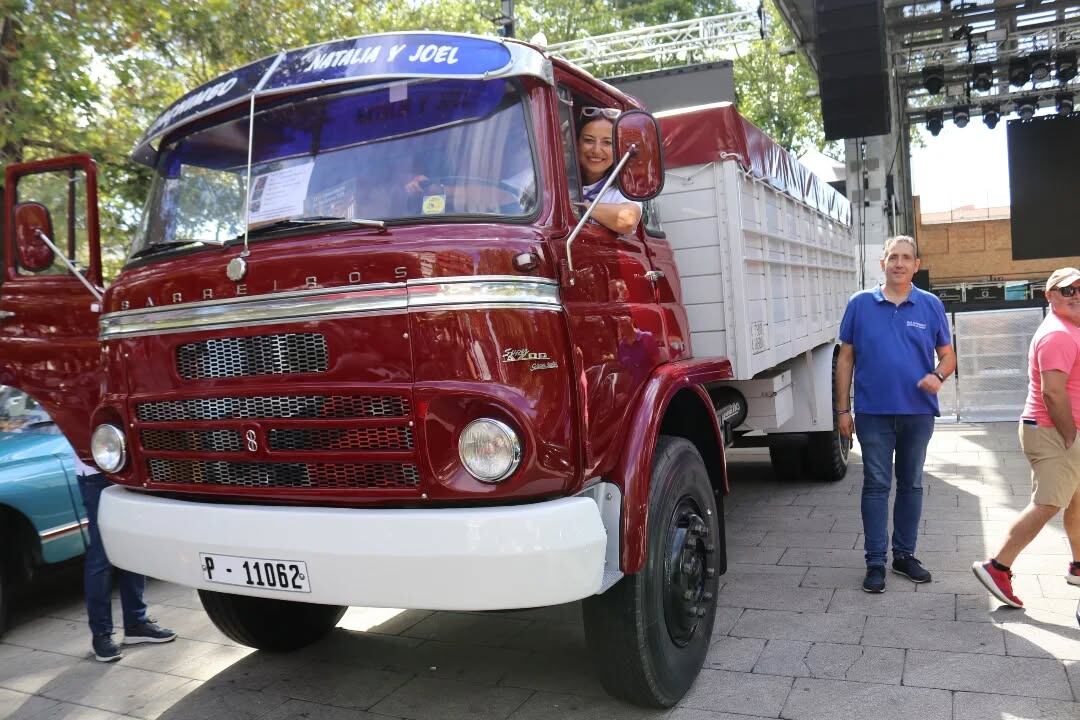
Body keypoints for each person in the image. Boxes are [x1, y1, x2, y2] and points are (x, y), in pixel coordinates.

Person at [836, 235, 956, 593]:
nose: (899, 264)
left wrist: (937, 376)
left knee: (912, 483)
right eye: (893, 257)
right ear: (882, 264)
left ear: (916, 265)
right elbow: (845, 358)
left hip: (918, 414)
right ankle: (875, 562)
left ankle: (904, 555)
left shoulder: (930, 305)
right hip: (872, 413)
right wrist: (842, 409)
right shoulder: (860, 304)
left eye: (906, 258)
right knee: (876, 484)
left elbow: (948, 356)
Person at [973, 267, 1080, 608]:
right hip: (1054, 432)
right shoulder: (1058, 335)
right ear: (1049, 296)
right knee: (1048, 502)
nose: (1075, 294)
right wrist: (1071, 436)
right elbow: (1053, 393)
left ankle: (1079, 565)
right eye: (1067, 290)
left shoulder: (1069, 328)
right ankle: (998, 566)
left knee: (1077, 500)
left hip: (1059, 431)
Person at [77, 459, 176, 661]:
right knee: (101, 556)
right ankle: (101, 635)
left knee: (132, 547)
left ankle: (136, 623)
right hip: (98, 471)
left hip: (129, 467)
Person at [576, 107, 642, 234]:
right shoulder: (558, 181)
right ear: (577, 143)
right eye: (589, 140)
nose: (596, 150)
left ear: (618, 148)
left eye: (607, 142)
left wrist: (579, 207)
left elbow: (627, 219)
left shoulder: (624, 189)